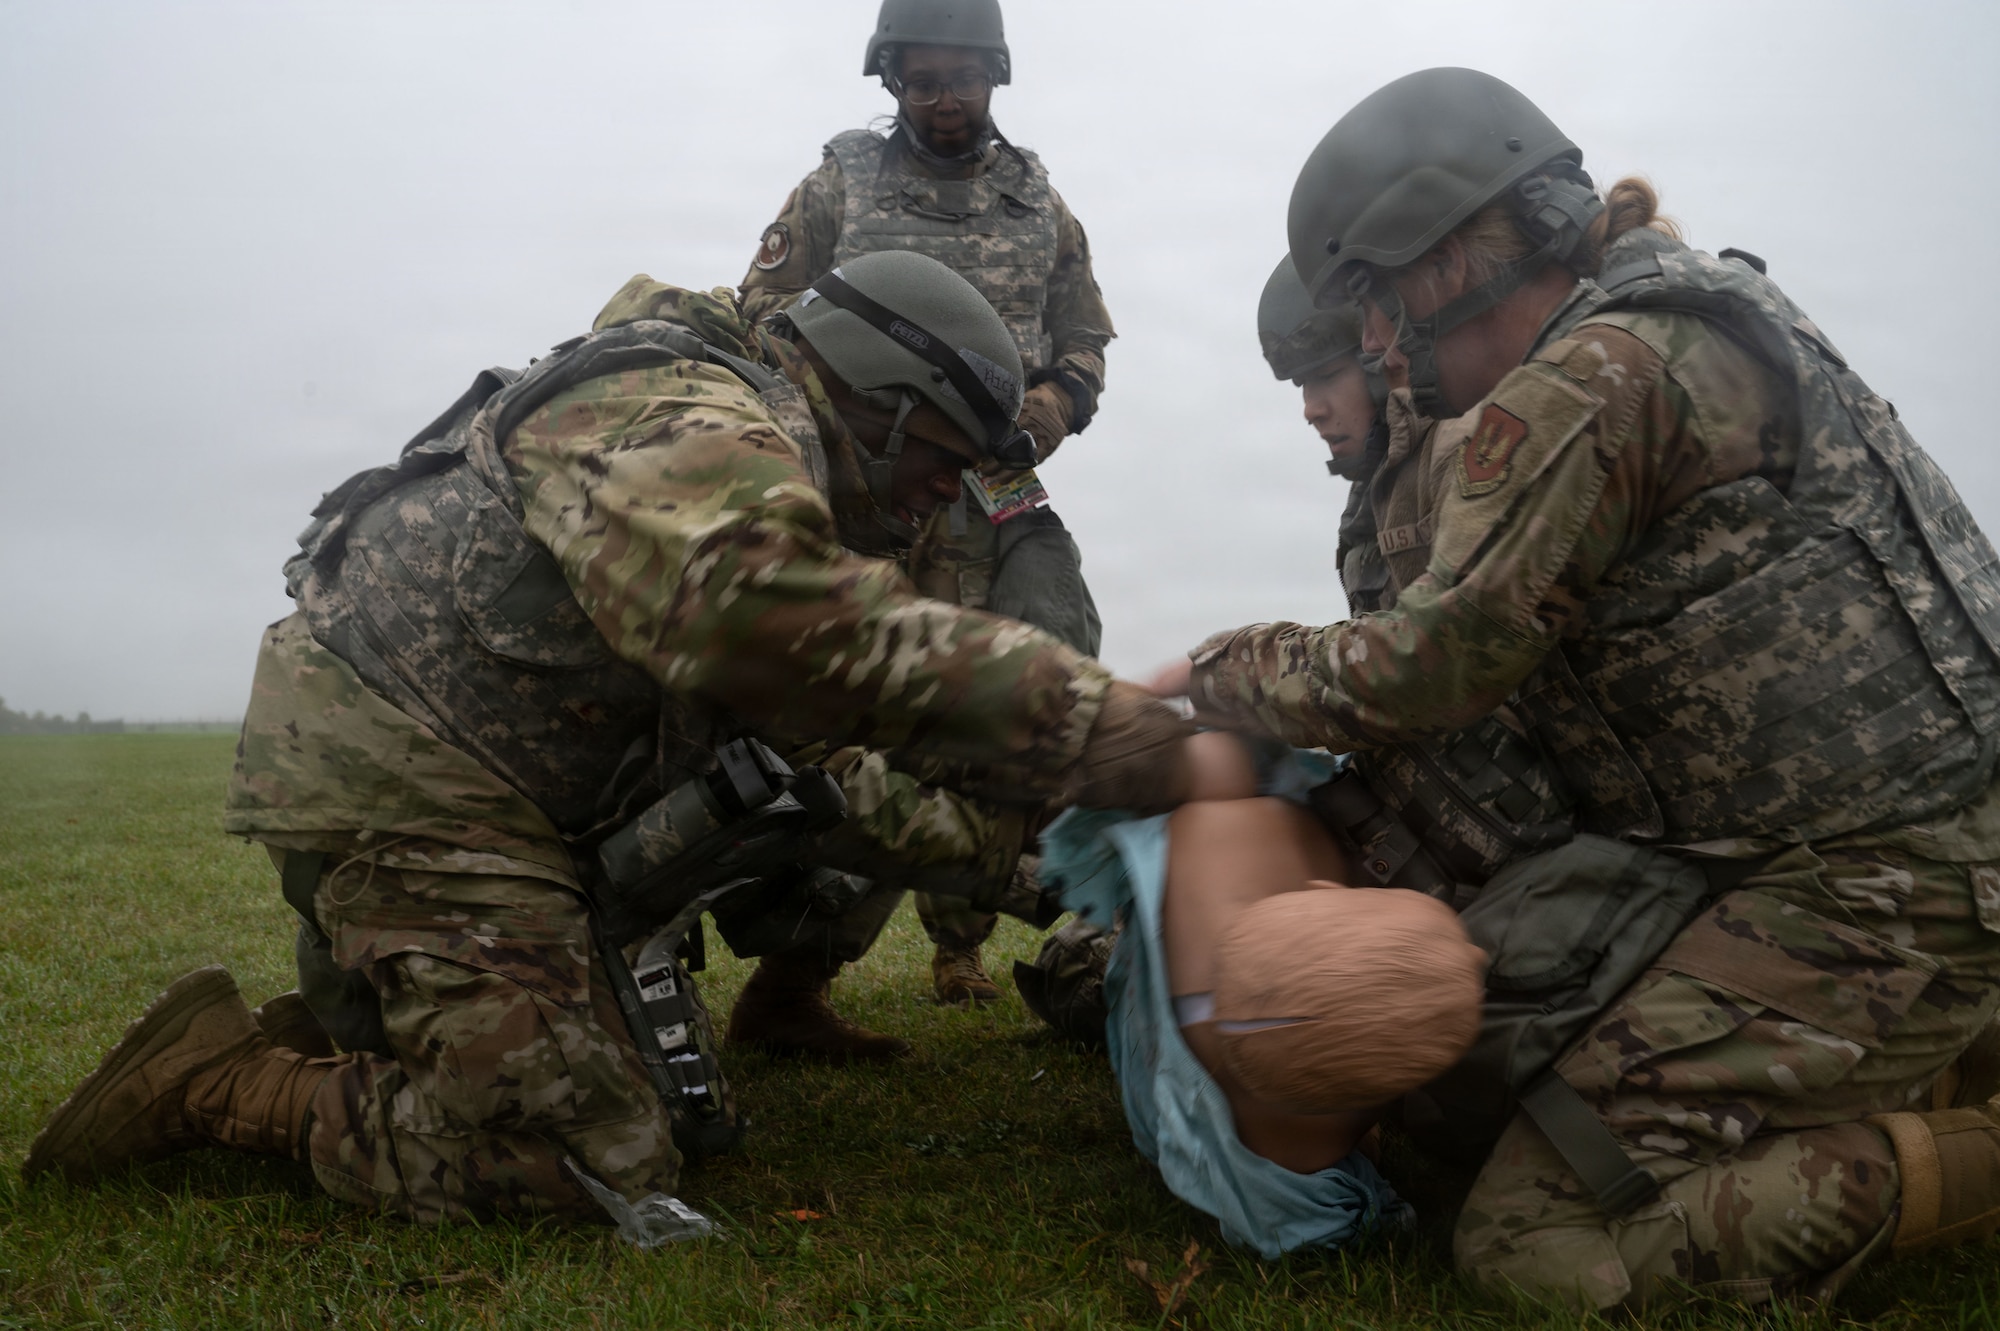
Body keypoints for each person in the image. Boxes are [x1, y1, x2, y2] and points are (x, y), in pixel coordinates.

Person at [22, 251, 1194, 1227]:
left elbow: (828, 777)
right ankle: (218, 1078)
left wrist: (1045, 878)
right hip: (419, 793)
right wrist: (1086, 724)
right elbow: (764, 623)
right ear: (879, 398)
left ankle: (401, 1007)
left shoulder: (758, 460)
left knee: (673, 1093)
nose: (942, 501)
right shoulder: (692, 408)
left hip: (524, 806)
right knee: (589, 1156)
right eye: (941, 462)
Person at [1154, 66, 2000, 1310]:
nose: (1377, 348)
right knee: (1460, 1113)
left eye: (1379, 307)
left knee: (1535, 1242)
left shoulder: (1588, 377)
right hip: (1827, 854)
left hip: (1882, 882)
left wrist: (1216, 670)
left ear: (1450, 261)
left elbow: (1431, 666)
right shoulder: (1690, 305)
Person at [738, 0, 1115, 1008]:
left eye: (961, 78)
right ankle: (793, 982)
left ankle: (966, 945)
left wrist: (1052, 402)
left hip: (994, 483)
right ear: (890, 81)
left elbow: (1086, 340)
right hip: (866, 487)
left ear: (994, 75)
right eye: (919, 82)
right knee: (866, 713)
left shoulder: (1038, 203)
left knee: (1042, 667)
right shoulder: (838, 186)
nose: (942, 101)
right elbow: (758, 324)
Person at [1039, 732, 1485, 1257]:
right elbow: (1327, 1191)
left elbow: (1212, 759)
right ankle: (1068, 969)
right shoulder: (1299, 1144)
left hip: (1182, 952)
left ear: (1326, 899)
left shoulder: (1235, 833)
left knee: (1216, 778)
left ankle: (1069, 965)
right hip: (1189, 1032)